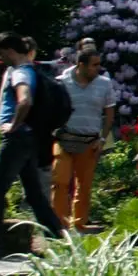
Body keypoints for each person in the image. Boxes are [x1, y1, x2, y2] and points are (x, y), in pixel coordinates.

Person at [0, 33, 67, 257]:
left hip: (17, 139)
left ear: (10, 50)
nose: (1, 58)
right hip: (30, 139)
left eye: (1, 53)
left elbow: (25, 100)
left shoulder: (20, 72)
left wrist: (14, 125)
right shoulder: (31, 70)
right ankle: (61, 240)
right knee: (34, 194)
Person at [52, 47, 116, 229]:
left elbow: (109, 114)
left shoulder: (105, 84)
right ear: (81, 65)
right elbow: (52, 108)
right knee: (60, 182)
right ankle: (58, 226)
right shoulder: (61, 82)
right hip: (64, 139)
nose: (98, 68)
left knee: (84, 186)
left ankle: (79, 225)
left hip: (90, 140)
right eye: (94, 65)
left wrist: (102, 139)